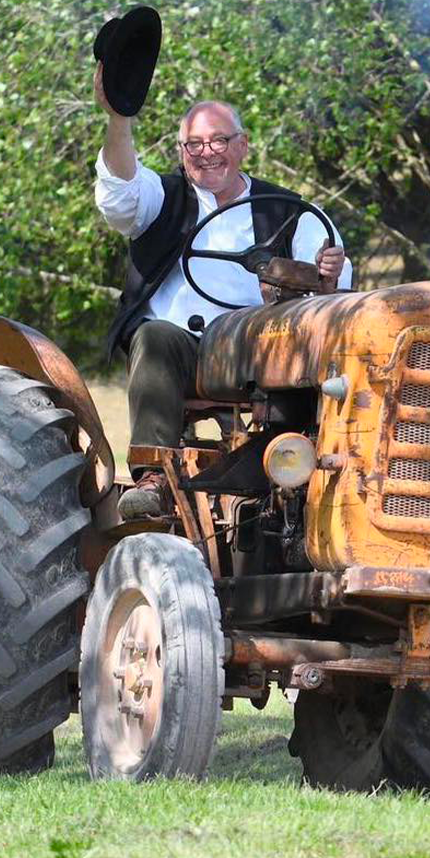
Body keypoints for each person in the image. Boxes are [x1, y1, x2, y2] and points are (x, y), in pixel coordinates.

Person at [94, 63, 352, 518]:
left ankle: (312, 481)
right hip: (185, 349)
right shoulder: (163, 199)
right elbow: (120, 191)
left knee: (319, 360)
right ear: (181, 150)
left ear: (243, 145)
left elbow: (329, 275)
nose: (206, 153)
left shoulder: (290, 210)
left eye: (218, 141)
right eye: (194, 144)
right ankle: (154, 476)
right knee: (154, 335)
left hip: (259, 351)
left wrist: (327, 275)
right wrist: (119, 119)